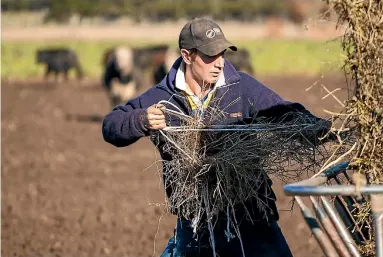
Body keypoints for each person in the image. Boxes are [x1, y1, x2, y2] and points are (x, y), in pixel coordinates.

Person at [102, 18, 331, 257]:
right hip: (195, 222)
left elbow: (285, 112)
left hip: (252, 218)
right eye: (210, 56)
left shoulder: (242, 87)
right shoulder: (162, 97)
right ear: (187, 56)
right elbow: (110, 126)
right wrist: (141, 120)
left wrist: (320, 129)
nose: (220, 63)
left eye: (222, 53)